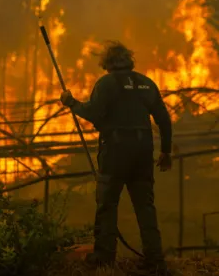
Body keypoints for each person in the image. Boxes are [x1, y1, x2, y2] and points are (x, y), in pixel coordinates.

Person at [61, 40, 173, 275]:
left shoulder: (106, 84)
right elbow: (163, 119)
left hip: (115, 153)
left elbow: (92, 112)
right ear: (129, 61)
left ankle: (103, 257)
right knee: (145, 206)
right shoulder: (146, 84)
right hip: (143, 153)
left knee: (107, 204)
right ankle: (155, 260)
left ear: (107, 63)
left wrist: (71, 103)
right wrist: (166, 151)